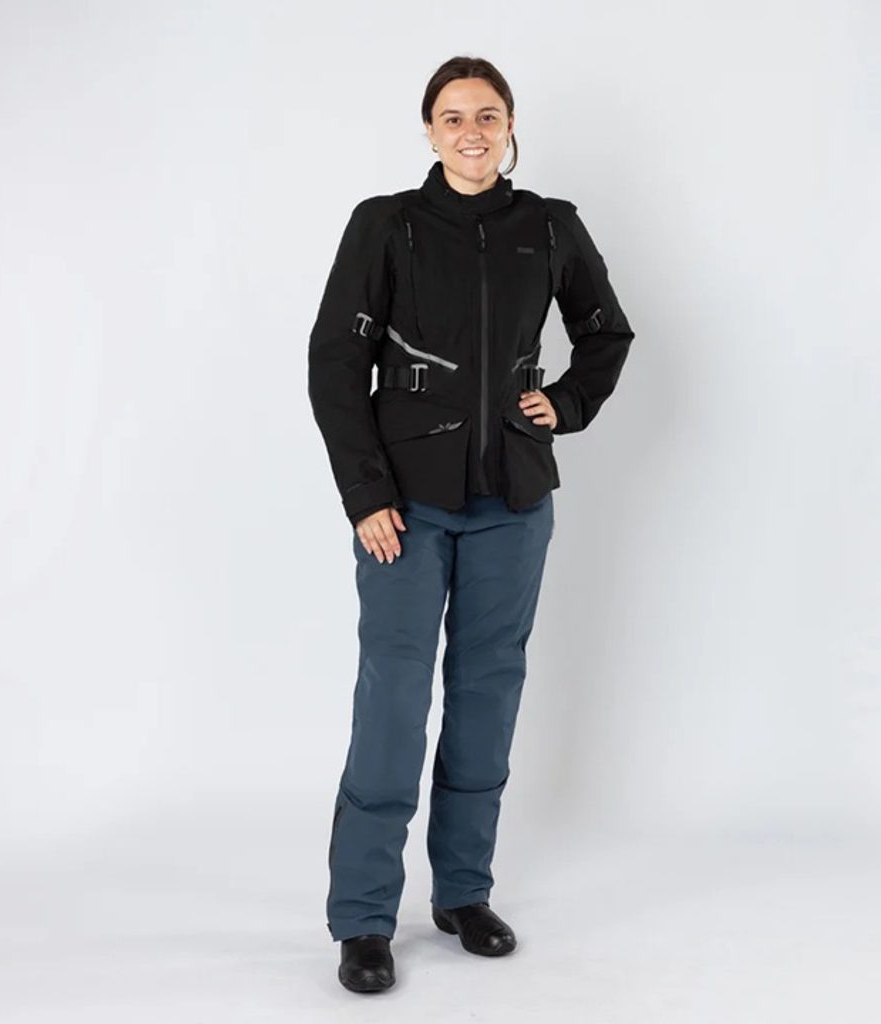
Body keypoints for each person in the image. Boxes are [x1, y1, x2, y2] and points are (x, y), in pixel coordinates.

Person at [307, 55, 635, 994]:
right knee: (394, 702)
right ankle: (363, 918)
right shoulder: (386, 225)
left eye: (487, 115)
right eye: (452, 117)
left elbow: (606, 333)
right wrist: (365, 494)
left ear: (510, 125)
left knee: (488, 694)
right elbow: (335, 365)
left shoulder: (550, 226)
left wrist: (564, 403)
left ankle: (463, 894)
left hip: (514, 502)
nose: (471, 132)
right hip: (404, 506)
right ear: (429, 131)